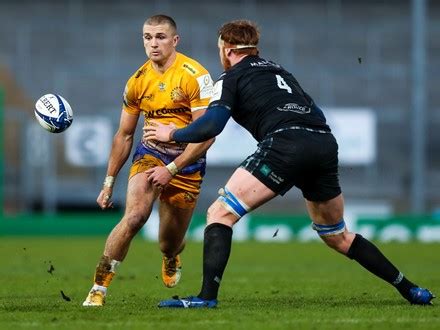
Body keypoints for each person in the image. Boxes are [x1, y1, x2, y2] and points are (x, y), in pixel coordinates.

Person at [144, 19, 435, 308]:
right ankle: (412, 290)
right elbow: (315, 111)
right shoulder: (280, 71)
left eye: (220, 48)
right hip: (322, 141)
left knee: (220, 213)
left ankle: (206, 298)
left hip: (286, 143)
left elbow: (212, 125)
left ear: (228, 49)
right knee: (336, 234)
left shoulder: (231, 77)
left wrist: (173, 133)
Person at [82, 14, 215, 307]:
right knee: (135, 216)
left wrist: (172, 168)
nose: (153, 44)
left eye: (160, 37)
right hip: (149, 156)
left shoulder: (196, 75)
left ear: (174, 40)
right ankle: (98, 288)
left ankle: (170, 257)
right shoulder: (137, 82)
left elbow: (206, 136)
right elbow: (125, 135)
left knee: (169, 242)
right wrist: (108, 182)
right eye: (147, 37)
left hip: (187, 164)